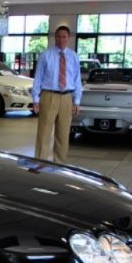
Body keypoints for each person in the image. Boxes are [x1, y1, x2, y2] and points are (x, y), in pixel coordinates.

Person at [31, 25, 82, 163]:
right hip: (49, 96)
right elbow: (38, 78)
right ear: (55, 37)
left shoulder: (73, 56)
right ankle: (39, 163)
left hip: (67, 98)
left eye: (64, 37)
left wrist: (77, 101)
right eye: (58, 36)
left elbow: (77, 80)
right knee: (44, 132)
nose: (61, 39)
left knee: (63, 134)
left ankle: (59, 165)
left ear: (69, 38)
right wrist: (35, 99)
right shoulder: (45, 55)